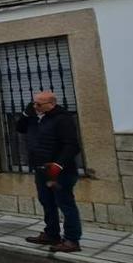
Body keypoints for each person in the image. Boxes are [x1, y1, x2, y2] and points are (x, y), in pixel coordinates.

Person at [16, 91, 82, 253]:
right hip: (41, 168)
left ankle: (72, 240)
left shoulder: (62, 119)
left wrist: (59, 164)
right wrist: (25, 113)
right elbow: (20, 128)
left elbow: (72, 145)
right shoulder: (34, 117)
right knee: (46, 201)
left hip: (60, 171)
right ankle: (51, 234)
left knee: (65, 203)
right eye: (34, 103)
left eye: (39, 104)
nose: (35, 106)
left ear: (51, 104)